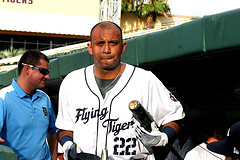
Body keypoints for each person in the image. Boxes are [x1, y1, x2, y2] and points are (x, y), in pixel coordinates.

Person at [55, 21, 185, 160]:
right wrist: (67, 144)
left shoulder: (145, 79)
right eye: (100, 43)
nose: (106, 50)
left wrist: (163, 137)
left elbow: (175, 116)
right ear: (90, 48)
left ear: (123, 47)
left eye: (113, 43)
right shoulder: (72, 81)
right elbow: (64, 126)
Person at [0, 50, 58, 160]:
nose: (47, 77)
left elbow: (52, 130)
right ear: (27, 69)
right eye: (43, 71)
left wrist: (54, 156)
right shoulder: (3, 97)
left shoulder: (45, 98)